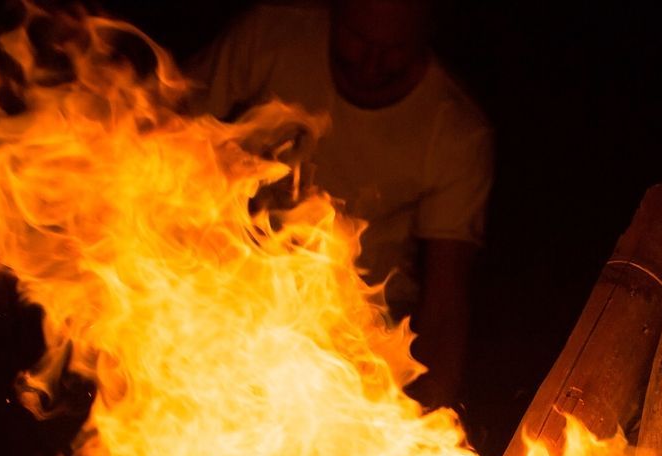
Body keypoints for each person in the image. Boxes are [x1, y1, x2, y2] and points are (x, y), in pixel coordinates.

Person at [190, 0, 493, 409]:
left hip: (353, 338)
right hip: (223, 292)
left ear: (427, 32)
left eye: (395, 48)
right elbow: (164, 133)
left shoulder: (456, 133)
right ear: (334, 12)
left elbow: (445, 303)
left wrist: (430, 411)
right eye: (357, 39)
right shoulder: (271, 35)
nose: (371, 63)